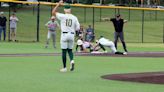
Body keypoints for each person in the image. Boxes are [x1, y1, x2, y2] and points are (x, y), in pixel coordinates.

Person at [52, 0, 80, 72]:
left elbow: (53, 12)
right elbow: (78, 28)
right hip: (71, 35)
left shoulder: (62, 16)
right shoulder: (74, 17)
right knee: (70, 50)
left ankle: (64, 68)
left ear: (64, 9)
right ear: (70, 9)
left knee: (64, 51)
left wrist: (58, 4)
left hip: (64, 34)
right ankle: (72, 60)